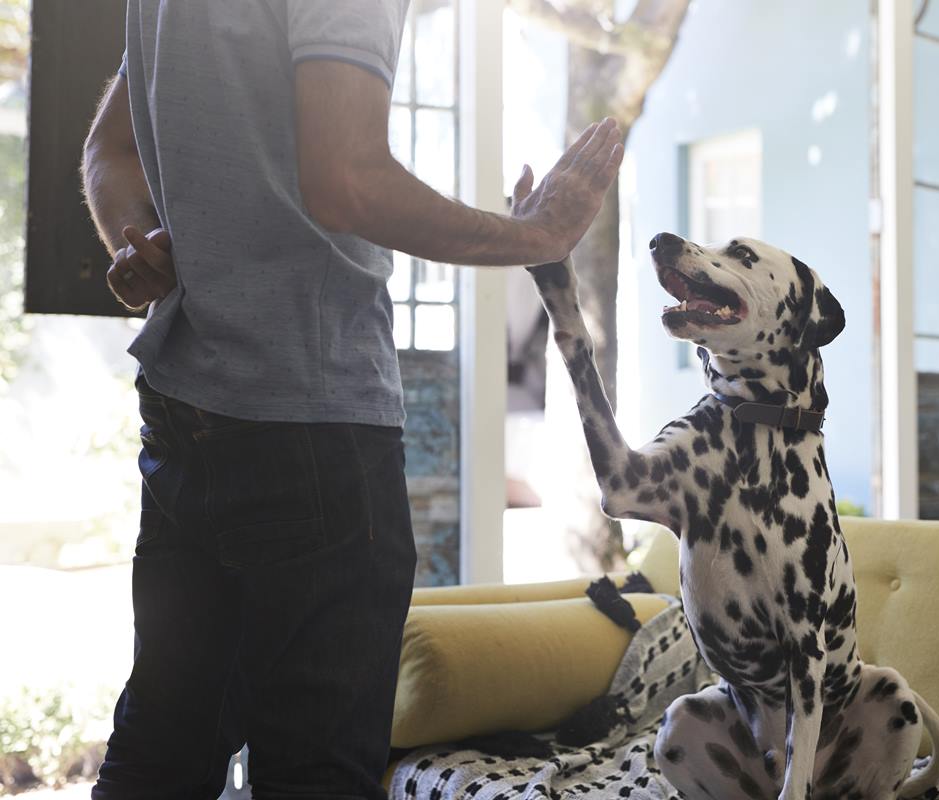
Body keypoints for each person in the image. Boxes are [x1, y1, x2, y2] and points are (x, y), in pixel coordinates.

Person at [80, 2, 622, 798]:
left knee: (161, 751)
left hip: (185, 410)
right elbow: (346, 180)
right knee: (317, 771)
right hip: (311, 420)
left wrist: (136, 240)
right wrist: (532, 238)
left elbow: (110, 149)